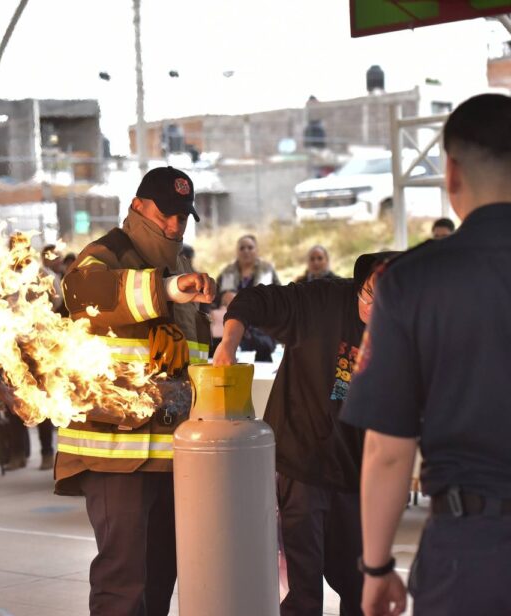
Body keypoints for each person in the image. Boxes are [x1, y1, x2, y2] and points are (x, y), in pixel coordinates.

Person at [340, 93, 511, 616]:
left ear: (452, 172)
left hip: (470, 553)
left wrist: (375, 567)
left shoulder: (413, 281)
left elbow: (388, 450)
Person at [57, 166, 214, 616]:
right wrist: (165, 290)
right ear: (138, 207)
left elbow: (193, 361)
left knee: (162, 574)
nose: (174, 225)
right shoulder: (102, 256)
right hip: (115, 452)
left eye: (183, 216)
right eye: (165, 214)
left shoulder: (182, 268)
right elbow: (83, 292)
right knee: (123, 580)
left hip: (172, 454)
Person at [213, 250, 397, 616]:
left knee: (361, 583)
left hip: (358, 470)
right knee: (303, 584)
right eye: (370, 300)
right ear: (359, 287)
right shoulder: (322, 300)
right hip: (302, 461)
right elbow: (254, 300)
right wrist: (229, 343)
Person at [211, 234, 280, 360]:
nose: (246, 251)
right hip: (230, 330)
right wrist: (223, 298)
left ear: (257, 250)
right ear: (237, 251)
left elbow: (278, 299)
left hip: (260, 330)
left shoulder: (267, 271)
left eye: (250, 247)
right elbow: (213, 299)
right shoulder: (227, 272)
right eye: (242, 248)